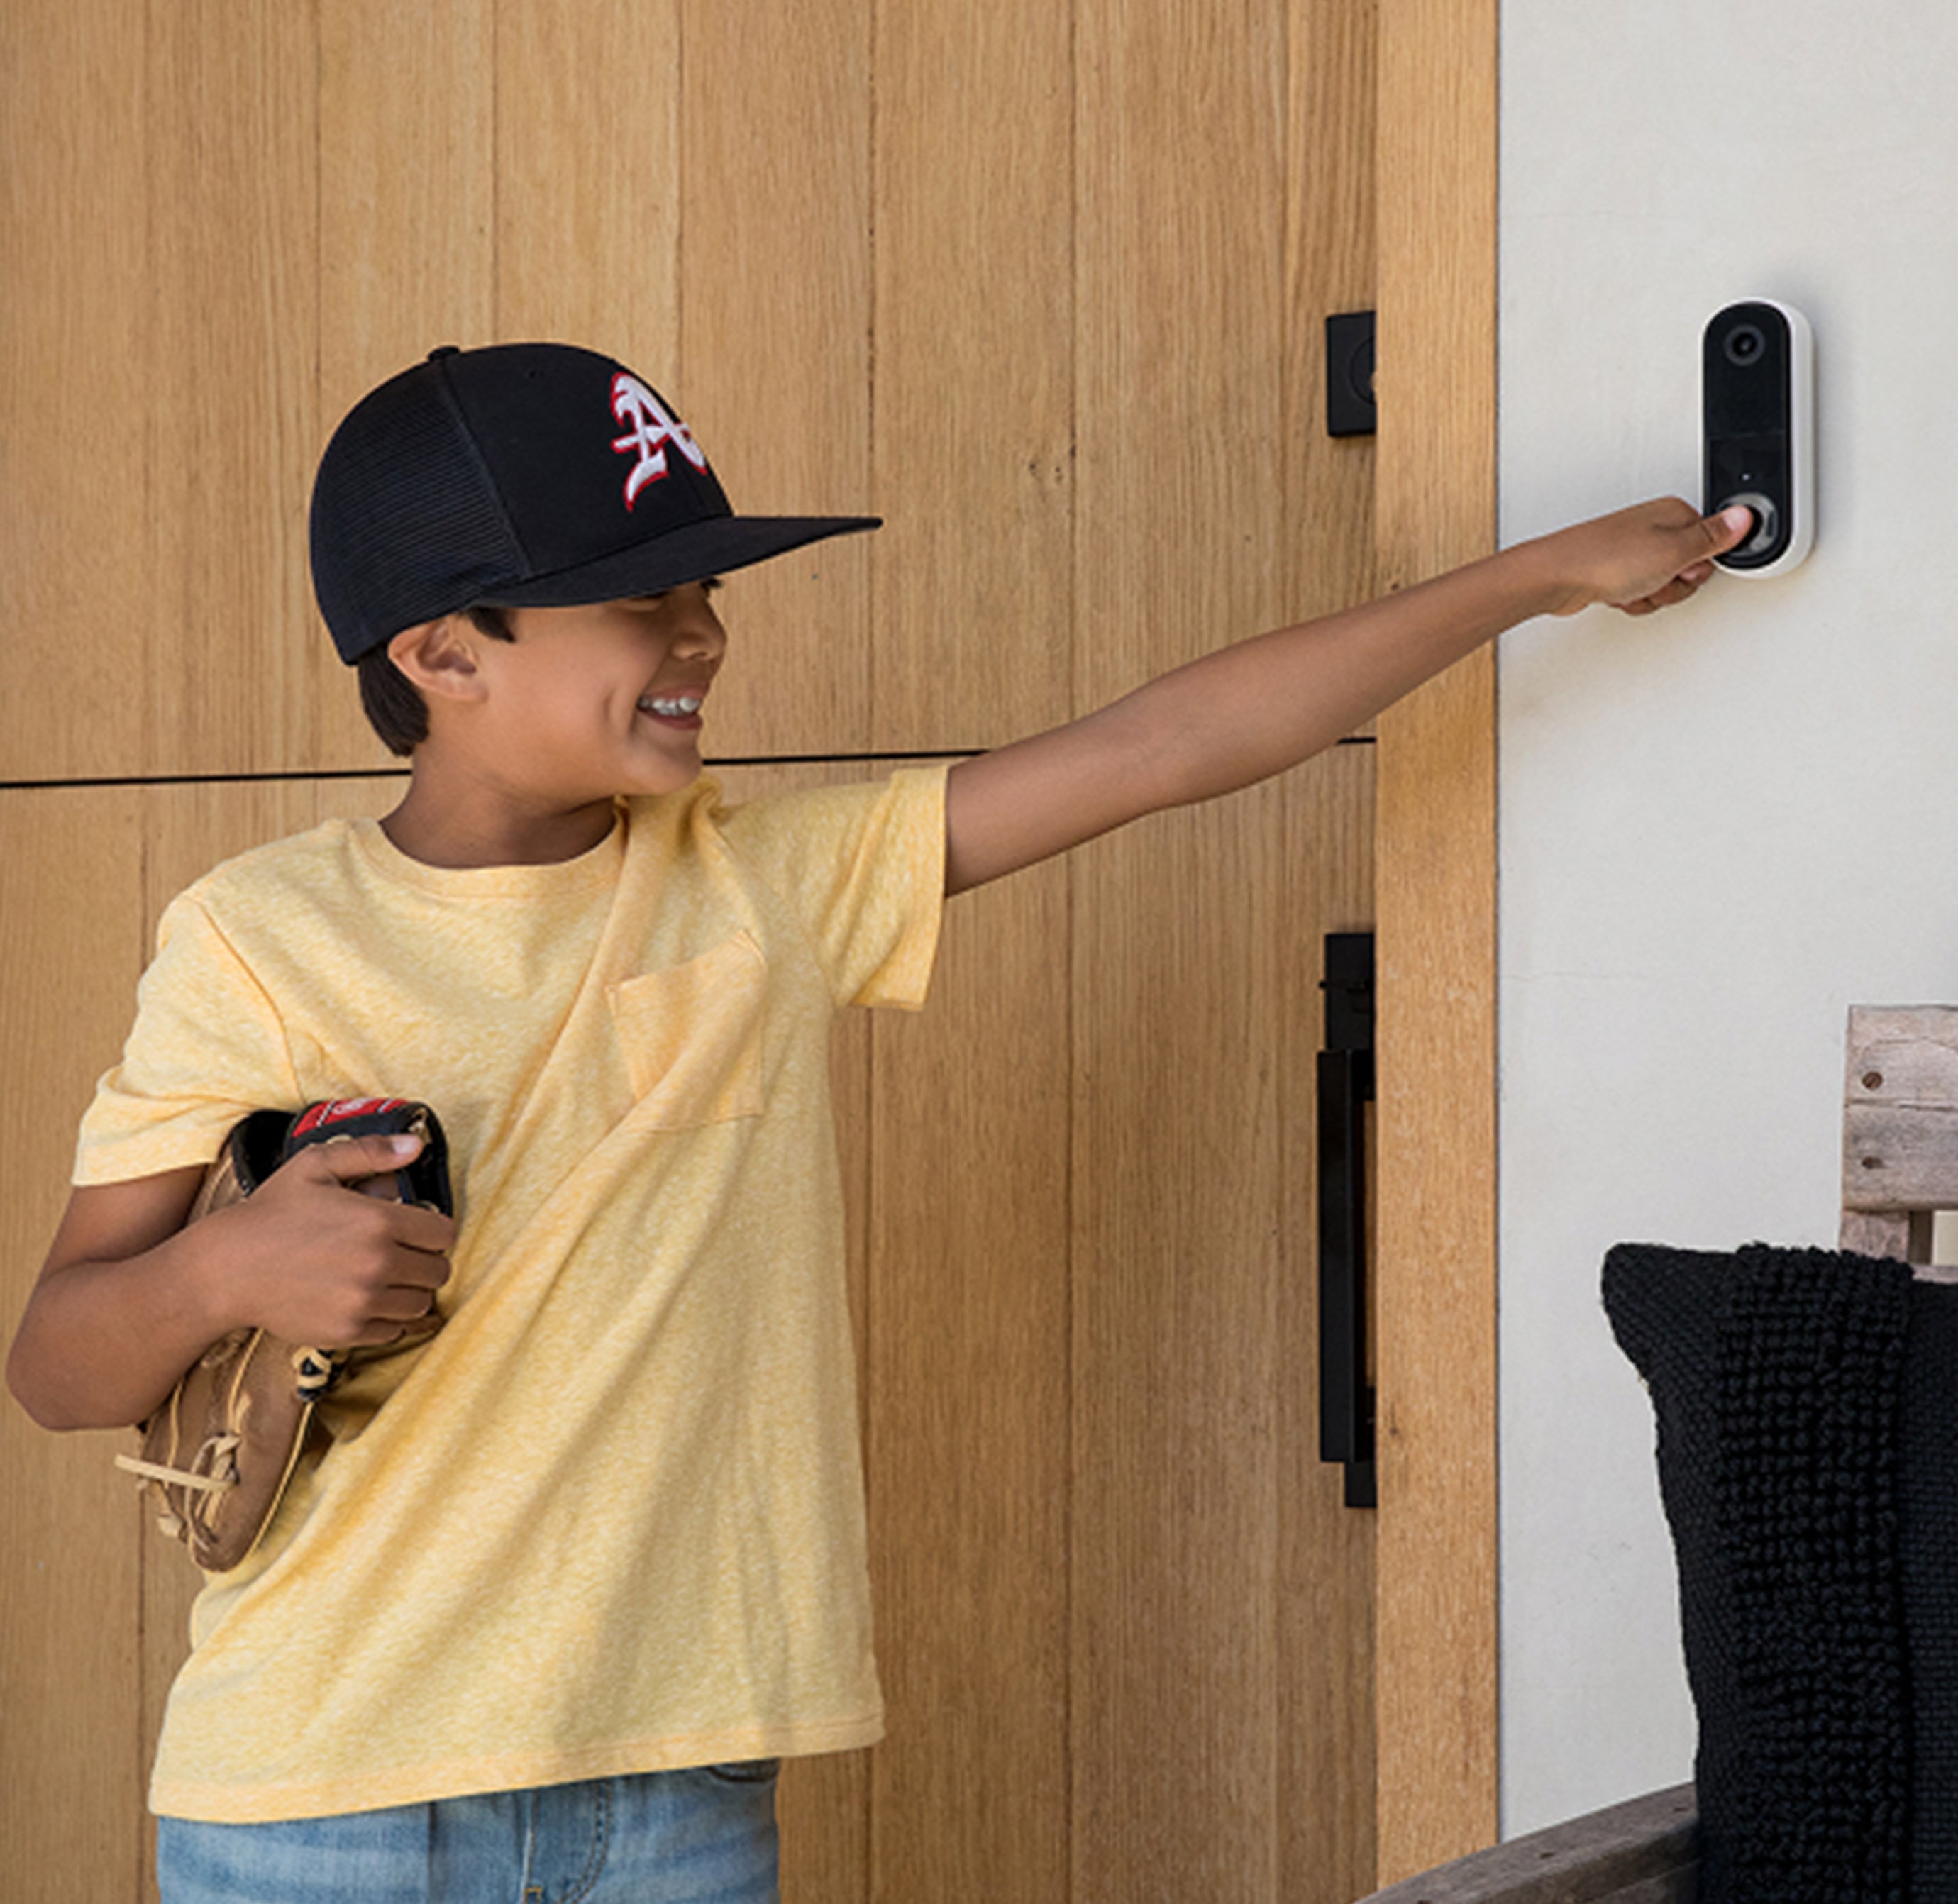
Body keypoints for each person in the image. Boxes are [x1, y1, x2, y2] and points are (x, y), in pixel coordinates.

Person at [4, 341, 1751, 1903]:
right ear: (443, 649)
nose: (704, 630)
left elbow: (1168, 742)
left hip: (674, 1790)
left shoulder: (769, 886)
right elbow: (61, 1361)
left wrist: (1540, 578)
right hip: (321, 1803)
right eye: (639, 596)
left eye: (704, 582)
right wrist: (234, 1264)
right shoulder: (258, 935)